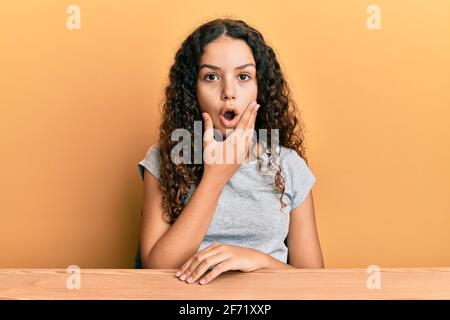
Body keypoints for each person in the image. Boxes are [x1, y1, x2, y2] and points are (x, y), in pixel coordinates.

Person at [136, 18, 324, 285]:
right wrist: (216, 177)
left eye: (243, 76)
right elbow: (155, 269)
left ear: (261, 88)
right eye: (211, 77)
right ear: (193, 90)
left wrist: (258, 261)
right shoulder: (164, 159)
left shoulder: (288, 166)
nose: (228, 92)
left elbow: (315, 282)